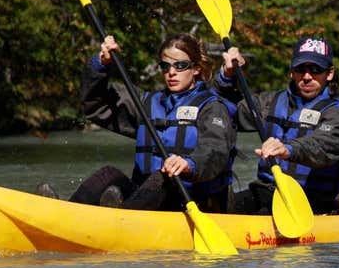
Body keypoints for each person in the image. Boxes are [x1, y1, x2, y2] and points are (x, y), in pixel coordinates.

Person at [39, 33, 238, 213]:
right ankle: (64, 214)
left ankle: (119, 219)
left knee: (164, 177)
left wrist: (189, 164)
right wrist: (101, 64)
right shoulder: (147, 103)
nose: (171, 72)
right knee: (108, 174)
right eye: (165, 66)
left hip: (191, 201)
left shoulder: (212, 107)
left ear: (195, 69)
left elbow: (216, 151)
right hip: (145, 197)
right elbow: (95, 104)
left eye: (180, 66)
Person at [215, 36, 339, 214]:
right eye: (301, 69)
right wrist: (227, 77)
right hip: (267, 192)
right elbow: (220, 111)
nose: (307, 77)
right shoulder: (269, 103)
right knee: (219, 204)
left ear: (329, 73)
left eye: (316, 69)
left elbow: (322, 145)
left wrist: (287, 149)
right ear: (291, 71)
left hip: (315, 200)